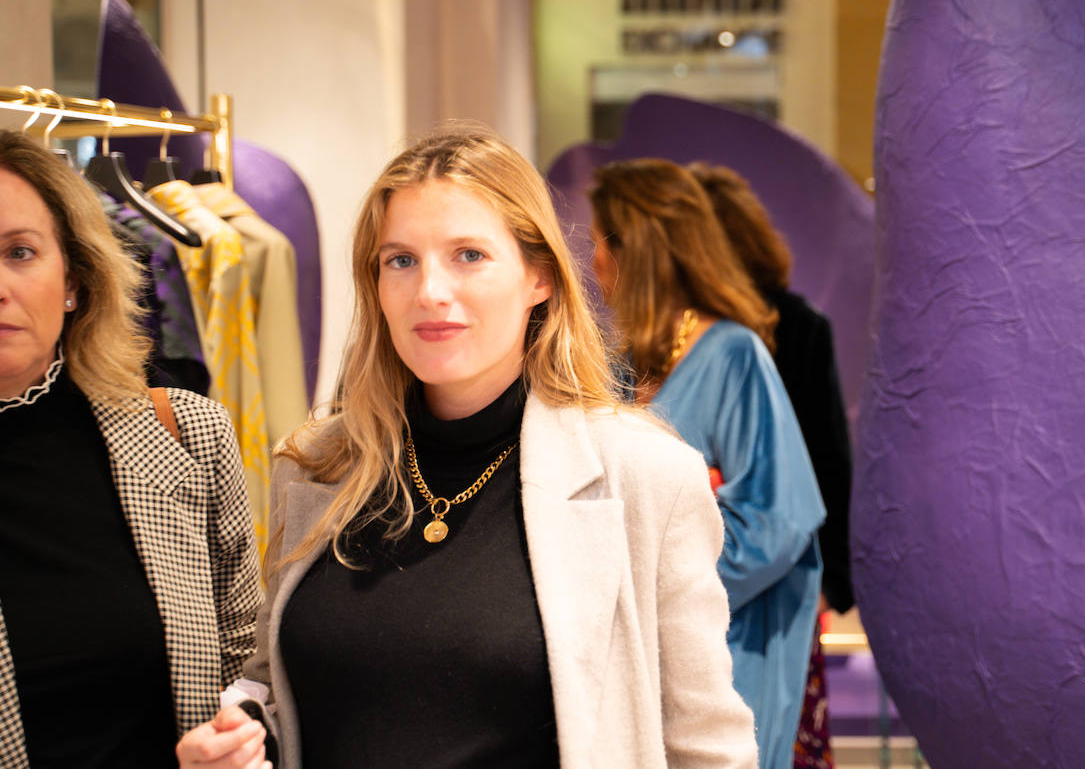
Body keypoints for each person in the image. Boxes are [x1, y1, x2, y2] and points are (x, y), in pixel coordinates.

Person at [177, 122, 756, 769]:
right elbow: (274, 683)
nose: (430, 292)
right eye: (401, 260)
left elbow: (707, 746)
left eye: (469, 255)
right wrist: (241, 737)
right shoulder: (317, 465)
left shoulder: (645, 475)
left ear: (540, 277)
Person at [0, 130, 262, 766]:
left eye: (19, 252)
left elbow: (248, 665)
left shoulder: (188, 435)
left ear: (73, 279)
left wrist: (238, 739)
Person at [588, 158, 827, 769]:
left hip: (720, 649)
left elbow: (778, 520)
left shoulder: (733, 355)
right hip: (635, 658)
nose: (592, 263)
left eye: (598, 244)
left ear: (636, 250)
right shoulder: (621, 365)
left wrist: (656, 581)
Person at [689, 162, 855, 768]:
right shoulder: (669, 333)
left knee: (777, 731)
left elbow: (827, 457)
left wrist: (829, 582)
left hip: (777, 570)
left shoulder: (795, 327)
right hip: (702, 573)